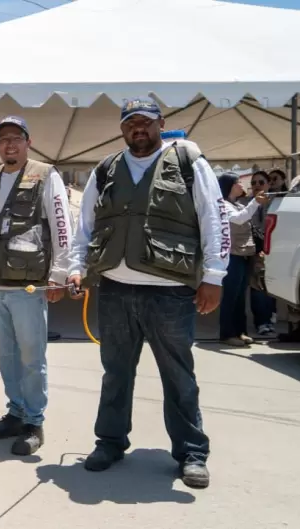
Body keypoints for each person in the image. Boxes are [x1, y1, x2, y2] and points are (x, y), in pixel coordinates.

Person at [67, 98, 228, 489]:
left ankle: (191, 452)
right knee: (116, 373)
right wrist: (75, 268)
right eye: (130, 123)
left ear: (161, 123)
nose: (138, 128)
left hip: (170, 293)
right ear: (122, 128)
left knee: (178, 376)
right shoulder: (105, 170)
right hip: (116, 290)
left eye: (146, 122)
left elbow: (214, 217)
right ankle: (109, 442)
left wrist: (214, 276)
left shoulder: (190, 163)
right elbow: (85, 225)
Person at [0, 116, 74, 455]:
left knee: (32, 356)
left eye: (16, 138)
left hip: (29, 286)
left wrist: (60, 274)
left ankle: (33, 421)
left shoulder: (45, 175)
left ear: (28, 141)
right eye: (3, 139)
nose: (9, 144)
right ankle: (14, 412)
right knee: (6, 354)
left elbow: (61, 226)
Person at [217, 172, 269, 347]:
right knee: (231, 296)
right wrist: (255, 202)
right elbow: (239, 220)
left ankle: (240, 332)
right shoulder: (223, 205)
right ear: (230, 186)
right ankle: (227, 333)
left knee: (240, 297)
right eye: (238, 182)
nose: (242, 185)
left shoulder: (236, 204)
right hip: (232, 256)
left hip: (243, 255)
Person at [247, 171, 277, 337]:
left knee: (270, 287)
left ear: (268, 184)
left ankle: (270, 317)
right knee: (257, 287)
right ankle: (262, 322)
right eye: (253, 183)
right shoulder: (246, 203)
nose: (257, 185)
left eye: (260, 182)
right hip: (253, 251)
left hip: (273, 251)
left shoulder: (275, 204)